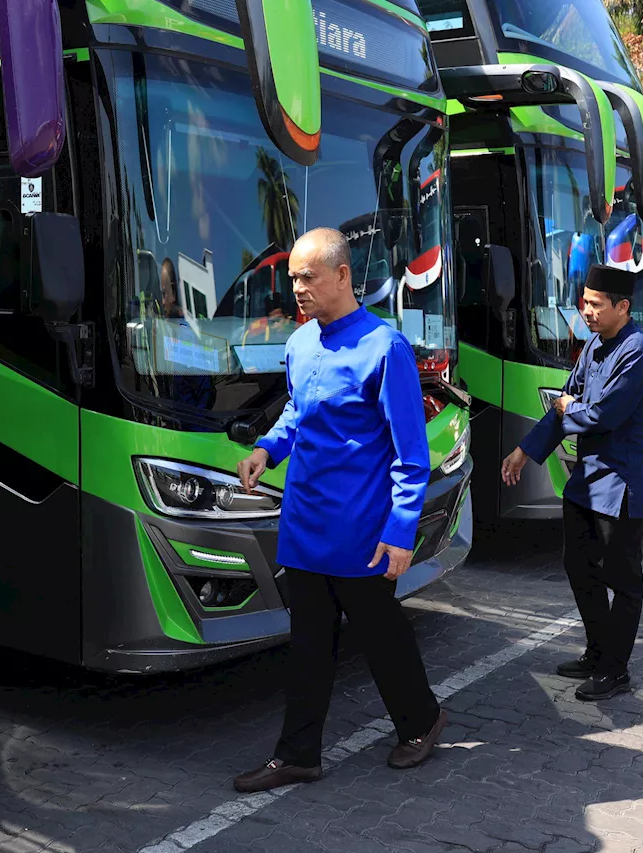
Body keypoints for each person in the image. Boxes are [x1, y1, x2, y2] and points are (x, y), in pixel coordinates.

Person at [232, 228, 445, 794]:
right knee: (306, 645)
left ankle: (421, 720)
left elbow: (410, 455)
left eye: (308, 277)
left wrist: (401, 533)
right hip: (304, 524)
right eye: (293, 277)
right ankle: (298, 754)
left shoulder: (385, 347)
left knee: (381, 637)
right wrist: (265, 450)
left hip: (361, 533)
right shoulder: (301, 343)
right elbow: (298, 415)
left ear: (344, 275)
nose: (297, 288)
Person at [501, 263, 643, 702]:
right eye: (583, 302)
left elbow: (603, 415)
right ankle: (597, 652)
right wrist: (525, 450)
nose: (585, 311)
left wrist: (571, 406)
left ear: (622, 306)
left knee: (623, 581)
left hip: (621, 487)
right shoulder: (593, 345)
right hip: (586, 483)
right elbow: (563, 410)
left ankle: (615, 669)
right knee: (578, 567)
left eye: (594, 303)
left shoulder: (639, 350)